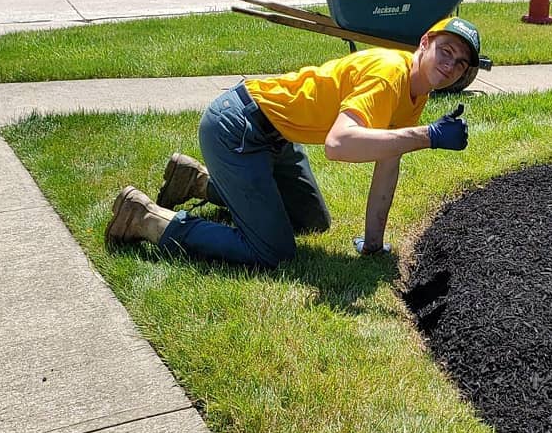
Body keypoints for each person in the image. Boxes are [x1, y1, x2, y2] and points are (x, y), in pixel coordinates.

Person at [104, 16, 482, 268]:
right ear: (424, 43)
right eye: (445, 51)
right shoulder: (388, 75)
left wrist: (373, 243)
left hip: (277, 136)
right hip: (237, 127)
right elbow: (339, 144)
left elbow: (388, 158)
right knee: (273, 251)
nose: (450, 65)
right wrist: (429, 136)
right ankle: (147, 219)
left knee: (311, 221)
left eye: (460, 63)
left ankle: (197, 181)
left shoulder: (417, 92)